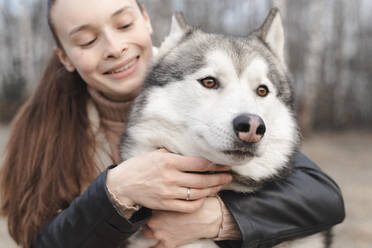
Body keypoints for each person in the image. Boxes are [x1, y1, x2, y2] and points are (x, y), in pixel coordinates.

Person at [0, 0, 344, 248]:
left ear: (146, 20)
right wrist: (115, 191)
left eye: (123, 25)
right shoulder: (37, 133)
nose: (115, 47)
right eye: (87, 40)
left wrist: (219, 219)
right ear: (65, 56)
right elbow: (40, 241)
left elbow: (321, 195)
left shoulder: (189, 72)